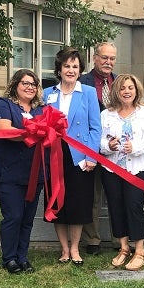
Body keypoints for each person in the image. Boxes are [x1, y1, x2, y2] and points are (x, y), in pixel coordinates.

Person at [43, 47, 101, 266]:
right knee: (57, 202)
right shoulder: (47, 93)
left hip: (80, 157)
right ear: (59, 69)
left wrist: (91, 156)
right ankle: (64, 249)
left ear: (80, 70)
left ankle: (75, 248)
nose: (71, 70)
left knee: (78, 203)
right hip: (54, 155)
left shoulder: (88, 92)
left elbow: (95, 128)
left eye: (75, 66)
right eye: (66, 66)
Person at [0, 69, 44, 274]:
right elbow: (5, 131)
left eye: (33, 84)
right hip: (9, 172)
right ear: (15, 85)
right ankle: (9, 258)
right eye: (25, 83)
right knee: (13, 216)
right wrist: (34, 133)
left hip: (34, 173)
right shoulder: (3, 105)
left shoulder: (41, 109)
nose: (30, 87)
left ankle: (22, 257)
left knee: (27, 218)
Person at [100, 74, 144, 270]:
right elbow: (99, 140)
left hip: (136, 169)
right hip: (112, 169)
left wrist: (135, 147)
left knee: (134, 206)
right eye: (122, 88)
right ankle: (124, 248)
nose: (126, 91)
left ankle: (140, 251)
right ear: (116, 91)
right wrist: (108, 145)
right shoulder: (106, 114)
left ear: (136, 90)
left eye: (130, 87)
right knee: (116, 207)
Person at [79, 42, 117, 255]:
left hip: (115, 151)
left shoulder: (120, 82)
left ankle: (119, 238)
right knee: (91, 196)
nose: (108, 62)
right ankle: (92, 240)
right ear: (94, 58)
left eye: (112, 58)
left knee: (115, 196)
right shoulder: (82, 82)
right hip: (91, 148)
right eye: (104, 57)